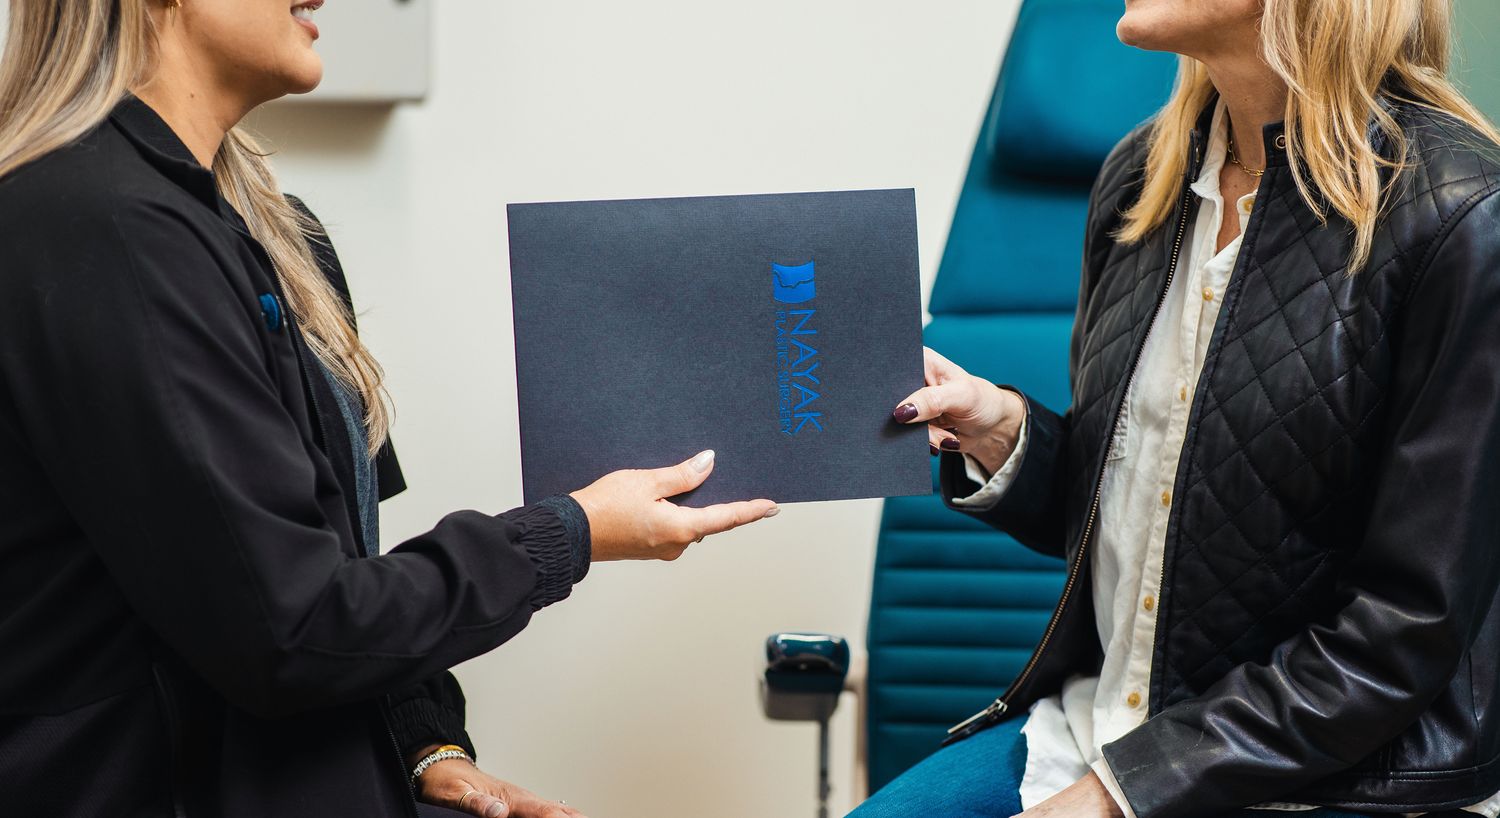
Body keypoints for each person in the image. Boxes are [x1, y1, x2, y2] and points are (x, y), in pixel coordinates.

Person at [0, 2, 778, 817]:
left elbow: (343, 565)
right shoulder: (102, 233)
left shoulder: (279, 239)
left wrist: (420, 736)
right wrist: (569, 533)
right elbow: (290, 631)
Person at [868, 0, 1500, 816]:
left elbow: (1402, 633)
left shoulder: (1463, 216)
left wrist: (1119, 797)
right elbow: (1149, 515)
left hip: (1341, 779)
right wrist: (1007, 432)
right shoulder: (1141, 180)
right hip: (1104, 733)